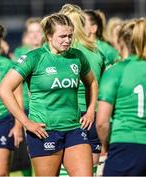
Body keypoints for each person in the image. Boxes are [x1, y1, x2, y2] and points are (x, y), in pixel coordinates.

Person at [0, 13, 97, 176]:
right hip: (44, 132)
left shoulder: (77, 56)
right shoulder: (34, 57)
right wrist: (26, 122)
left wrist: (91, 110)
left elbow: (92, 83)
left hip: (74, 129)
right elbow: (4, 89)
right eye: (62, 36)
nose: (67, 40)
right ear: (49, 36)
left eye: (70, 36)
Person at [96, 17, 146, 176]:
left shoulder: (116, 71)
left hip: (128, 145)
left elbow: (102, 122)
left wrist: (105, 146)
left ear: (120, 42)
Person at [60, 4, 105, 175]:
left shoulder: (65, 52)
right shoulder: (97, 50)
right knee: (90, 171)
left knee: (65, 169)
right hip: (93, 114)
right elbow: (101, 83)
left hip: (68, 114)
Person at [0, 24, 23, 176]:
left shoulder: (6, 65)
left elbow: (18, 96)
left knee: (0, 173)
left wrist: (18, 126)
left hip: (0, 123)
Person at [11, 17, 43, 176]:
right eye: (31, 32)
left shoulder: (50, 52)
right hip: (24, 108)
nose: (35, 36)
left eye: (38, 31)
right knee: (25, 149)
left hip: (43, 107)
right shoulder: (20, 53)